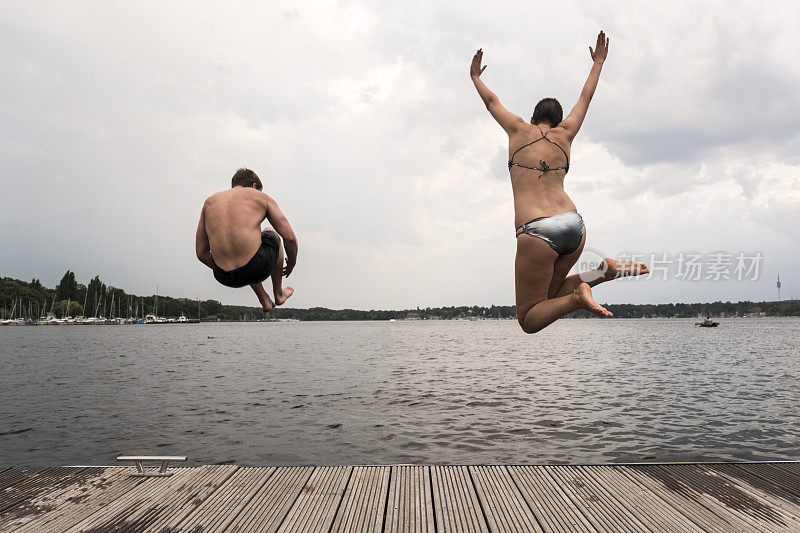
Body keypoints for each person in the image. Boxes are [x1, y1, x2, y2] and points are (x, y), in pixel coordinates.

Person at [470, 31, 649, 333]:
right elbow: (586, 97)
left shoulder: (517, 129)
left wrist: (475, 77)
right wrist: (599, 62)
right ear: (557, 119)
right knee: (549, 298)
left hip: (536, 228)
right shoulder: (566, 133)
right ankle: (602, 273)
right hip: (574, 226)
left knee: (528, 318)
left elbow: (491, 102)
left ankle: (579, 299)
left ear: (533, 116)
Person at [196, 168, 297, 312]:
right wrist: (291, 263)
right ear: (254, 187)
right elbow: (290, 238)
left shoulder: (209, 203)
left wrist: (224, 269)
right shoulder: (258, 197)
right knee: (270, 231)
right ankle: (278, 294)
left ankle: (264, 299)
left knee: (244, 253)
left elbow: (201, 253)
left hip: (224, 277)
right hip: (257, 269)